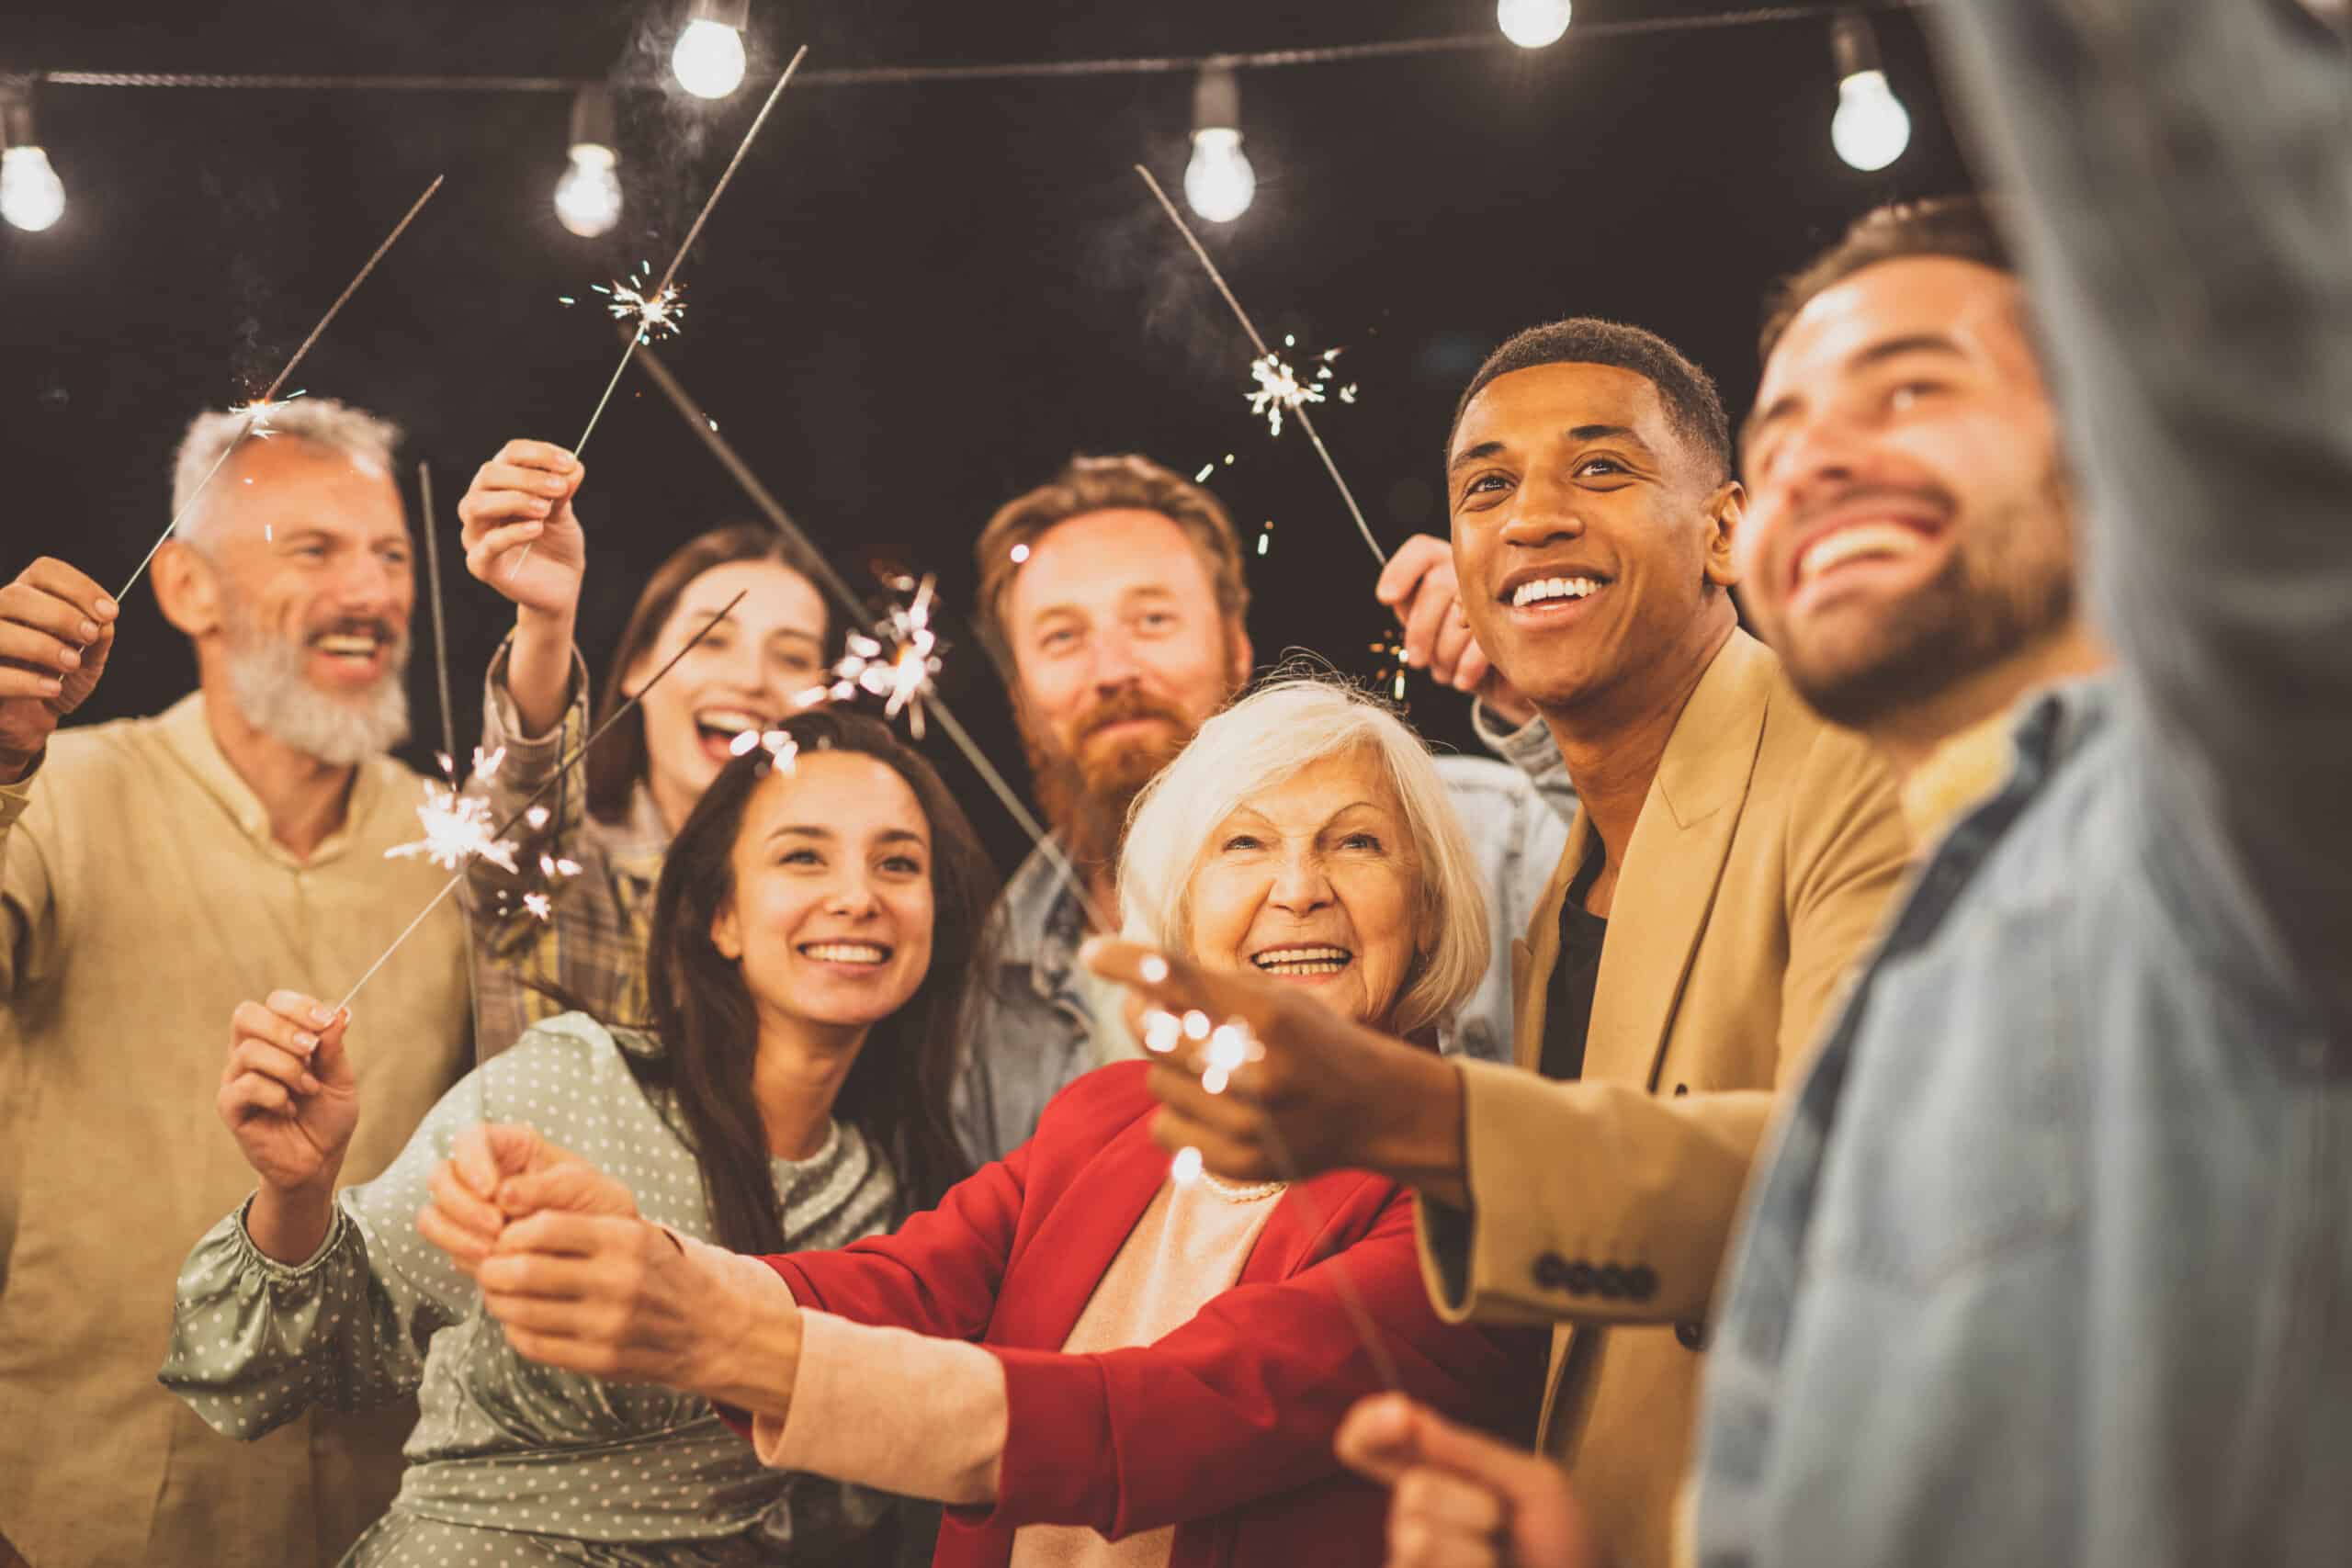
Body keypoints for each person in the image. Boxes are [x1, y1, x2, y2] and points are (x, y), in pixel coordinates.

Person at [1350, 0, 2352, 1552]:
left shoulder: (2226, 819)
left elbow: (2264, 385)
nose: (1819, 454)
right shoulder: (1960, 901)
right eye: (1793, 415)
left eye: (1910, 388)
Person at [1091, 320, 1914, 1566]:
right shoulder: (1560, 898)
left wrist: (1417, 1118)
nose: (1531, 518)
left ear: (1727, 528)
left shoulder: (1854, 761)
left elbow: (1869, 1191)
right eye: (1486, 486)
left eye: (1600, 468)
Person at [424, 679, 1544, 1568]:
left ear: (1432, 901)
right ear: (1180, 906)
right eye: (1243, 846)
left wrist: (728, 1338)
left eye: (1355, 842)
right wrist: (663, 1266)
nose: (1298, 889)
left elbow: (1153, 1421)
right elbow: (906, 1285)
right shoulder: (1108, 1115)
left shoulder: (1468, 1194)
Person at [163, 708, 987, 1564]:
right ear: (722, 918)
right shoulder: (576, 1088)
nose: (858, 895)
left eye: (898, 862)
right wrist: (296, 1190)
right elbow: (279, 1360)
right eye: (803, 855)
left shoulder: (890, 1197)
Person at [0, 400, 472, 1567]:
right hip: (96, 1512)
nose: (369, 593)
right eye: (312, 549)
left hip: (399, 1517)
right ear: (184, 588)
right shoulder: (58, 792)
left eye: (391, 554)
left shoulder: (459, 848)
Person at [957, 454, 1576, 1162]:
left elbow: (1699, 891)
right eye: (1062, 636)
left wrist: (1560, 712)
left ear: (1236, 646)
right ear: (1017, 692)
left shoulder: (1495, 831)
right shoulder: (984, 983)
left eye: (1153, 617)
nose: (1114, 669)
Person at [452, 440, 839, 1054]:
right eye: (712, 639)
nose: (751, 678)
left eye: (792, 656)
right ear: (637, 667)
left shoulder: (837, 905)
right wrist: (547, 620)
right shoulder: (561, 871)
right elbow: (513, 819)